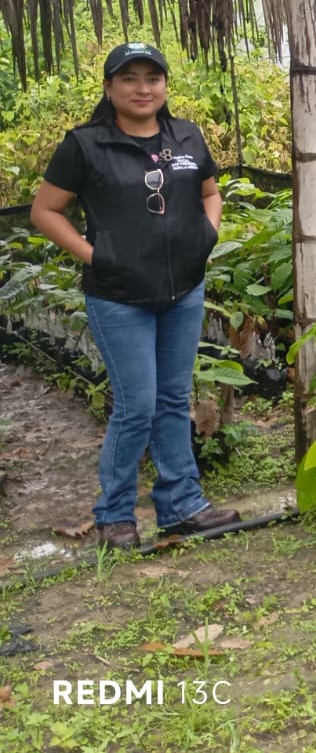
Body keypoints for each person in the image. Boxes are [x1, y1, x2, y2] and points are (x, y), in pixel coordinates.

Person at [30, 42, 240, 551]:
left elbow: (210, 193)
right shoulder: (85, 145)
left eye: (152, 77)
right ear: (109, 88)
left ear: (165, 85)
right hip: (119, 296)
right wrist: (96, 256)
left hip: (183, 291)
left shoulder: (187, 136)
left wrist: (207, 236)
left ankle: (182, 505)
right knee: (137, 405)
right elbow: (45, 211)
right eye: (129, 78)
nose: (142, 88)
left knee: (172, 400)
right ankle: (115, 515)